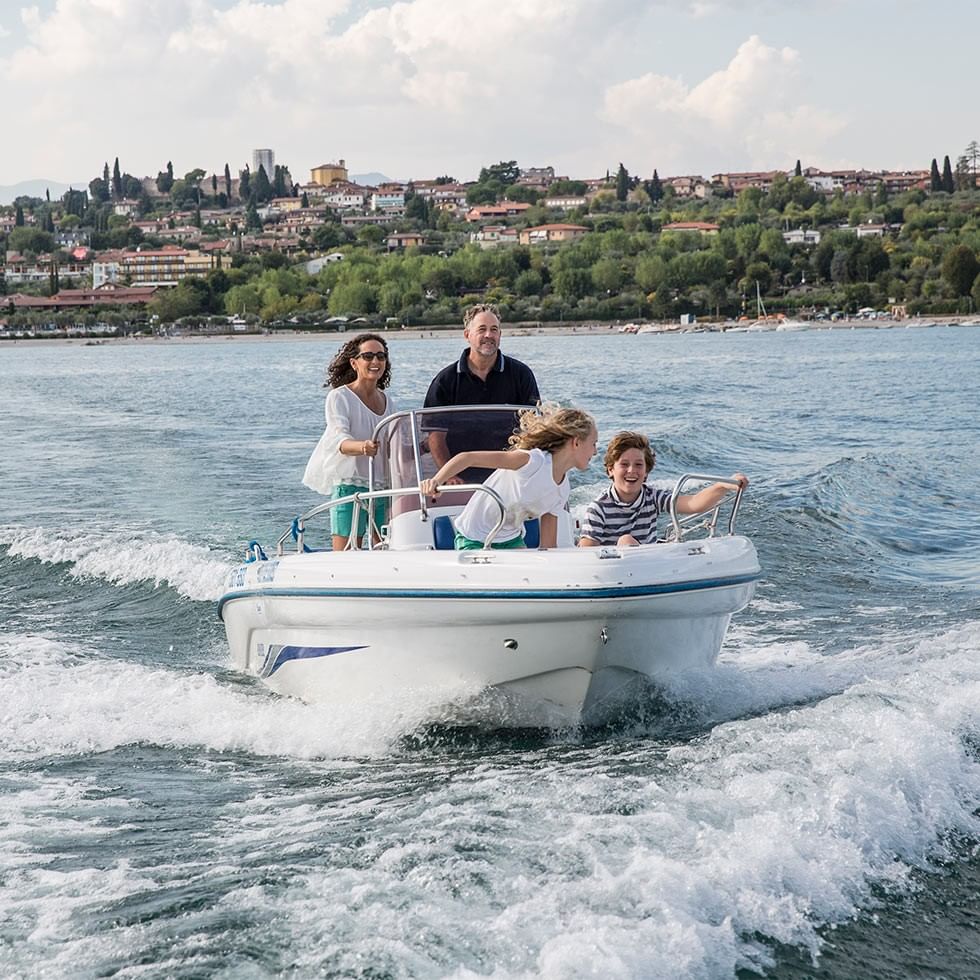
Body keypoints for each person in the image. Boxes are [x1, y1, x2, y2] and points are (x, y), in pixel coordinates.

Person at [420, 405, 597, 550]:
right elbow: (468, 458)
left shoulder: (562, 490)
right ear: (576, 442)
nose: (595, 451)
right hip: (474, 536)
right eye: (593, 444)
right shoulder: (532, 461)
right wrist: (436, 481)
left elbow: (548, 547)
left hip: (512, 540)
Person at [423, 303, 540, 480]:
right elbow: (435, 437)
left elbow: (532, 428)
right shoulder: (445, 380)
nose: (488, 335)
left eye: (494, 330)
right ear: (467, 335)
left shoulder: (521, 375)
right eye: (482, 329)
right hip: (462, 478)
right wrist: (450, 476)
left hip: (510, 475)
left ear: (500, 335)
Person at [302, 333, 396, 551]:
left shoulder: (388, 401)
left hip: (382, 487)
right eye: (368, 356)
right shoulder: (339, 397)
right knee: (346, 552)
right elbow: (340, 440)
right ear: (354, 363)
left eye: (381, 356)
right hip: (350, 485)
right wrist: (364, 447)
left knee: (387, 549)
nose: (375, 361)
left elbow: (395, 440)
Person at [578, 431, 749, 547]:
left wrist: (723, 485)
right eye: (624, 464)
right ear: (610, 470)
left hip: (649, 568)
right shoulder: (598, 508)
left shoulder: (652, 497)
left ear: (646, 473)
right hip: (614, 575)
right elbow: (586, 553)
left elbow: (693, 504)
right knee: (626, 541)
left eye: (638, 465)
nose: (631, 470)